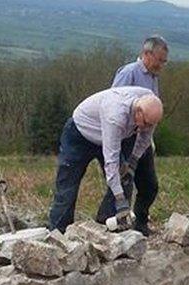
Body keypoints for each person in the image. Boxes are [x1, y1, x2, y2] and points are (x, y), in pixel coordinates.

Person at [46, 87, 162, 232]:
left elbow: (144, 140)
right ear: (138, 112)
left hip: (113, 134)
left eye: (151, 125)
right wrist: (121, 201)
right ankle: (58, 232)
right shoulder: (115, 116)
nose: (146, 128)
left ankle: (106, 227)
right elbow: (111, 162)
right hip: (81, 134)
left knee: (124, 179)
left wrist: (132, 163)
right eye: (145, 123)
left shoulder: (150, 108)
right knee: (68, 187)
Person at [96, 36, 168, 236]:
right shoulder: (129, 73)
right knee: (123, 182)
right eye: (159, 60)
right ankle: (106, 223)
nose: (162, 65)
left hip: (143, 140)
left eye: (164, 61)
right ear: (147, 54)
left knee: (150, 185)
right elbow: (112, 103)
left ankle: (140, 223)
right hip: (126, 138)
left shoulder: (153, 78)